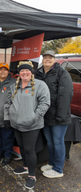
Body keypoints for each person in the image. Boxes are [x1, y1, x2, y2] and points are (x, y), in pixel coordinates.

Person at [4, 61, 50, 189]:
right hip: (16, 124)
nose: (24, 73)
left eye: (27, 70)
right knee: (22, 148)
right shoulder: (14, 86)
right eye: (22, 71)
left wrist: (33, 118)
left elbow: (45, 104)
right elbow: (7, 103)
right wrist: (7, 118)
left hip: (32, 125)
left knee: (29, 150)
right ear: (18, 74)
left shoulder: (41, 85)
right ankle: (25, 166)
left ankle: (31, 175)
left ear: (31, 72)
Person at [36, 50, 73, 178]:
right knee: (50, 142)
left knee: (58, 142)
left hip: (58, 116)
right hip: (45, 116)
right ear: (42, 59)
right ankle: (52, 163)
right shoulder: (38, 73)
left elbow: (66, 95)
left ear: (54, 59)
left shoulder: (62, 73)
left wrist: (61, 115)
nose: (47, 59)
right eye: (45, 57)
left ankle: (58, 169)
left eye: (50, 57)